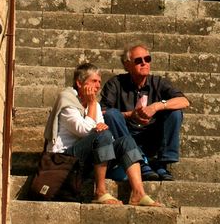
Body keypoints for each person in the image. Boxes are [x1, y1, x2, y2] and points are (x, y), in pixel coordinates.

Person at [44, 62, 161, 206]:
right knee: (102, 135)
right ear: (79, 83)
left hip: (87, 160)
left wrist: (96, 117)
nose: (98, 86)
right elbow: (85, 130)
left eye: (99, 81)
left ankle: (138, 193)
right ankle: (99, 191)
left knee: (126, 141)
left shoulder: (96, 105)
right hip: (64, 160)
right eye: (94, 81)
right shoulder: (67, 100)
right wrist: (92, 105)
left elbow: (107, 136)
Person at [101, 43, 189, 182]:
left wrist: (156, 106)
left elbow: (184, 101)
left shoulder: (158, 82)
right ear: (127, 65)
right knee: (112, 114)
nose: (144, 63)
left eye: (147, 59)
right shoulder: (115, 83)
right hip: (126, 136)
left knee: (175, 112)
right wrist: (131, 115)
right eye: (138, 60)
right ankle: (140, 161)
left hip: (152, 136)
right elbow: (102, 112)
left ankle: (162, 162)